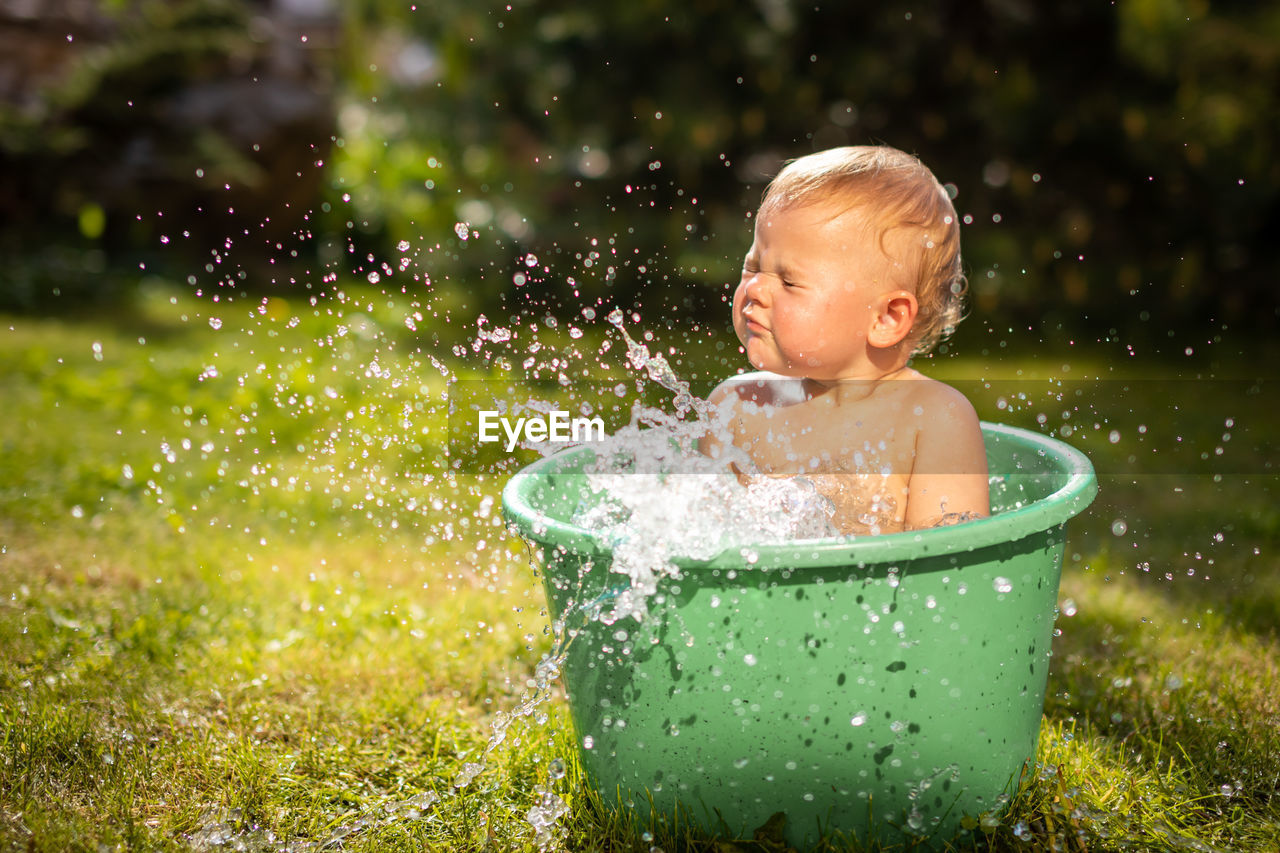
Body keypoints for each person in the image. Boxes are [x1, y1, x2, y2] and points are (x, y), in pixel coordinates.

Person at [700, 145, 989, 535]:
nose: (754, 290)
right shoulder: (735, 407)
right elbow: (698, 543)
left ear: (887, 318)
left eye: (788, 280)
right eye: (752, 267)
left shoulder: (932, 419)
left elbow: (949, 569)